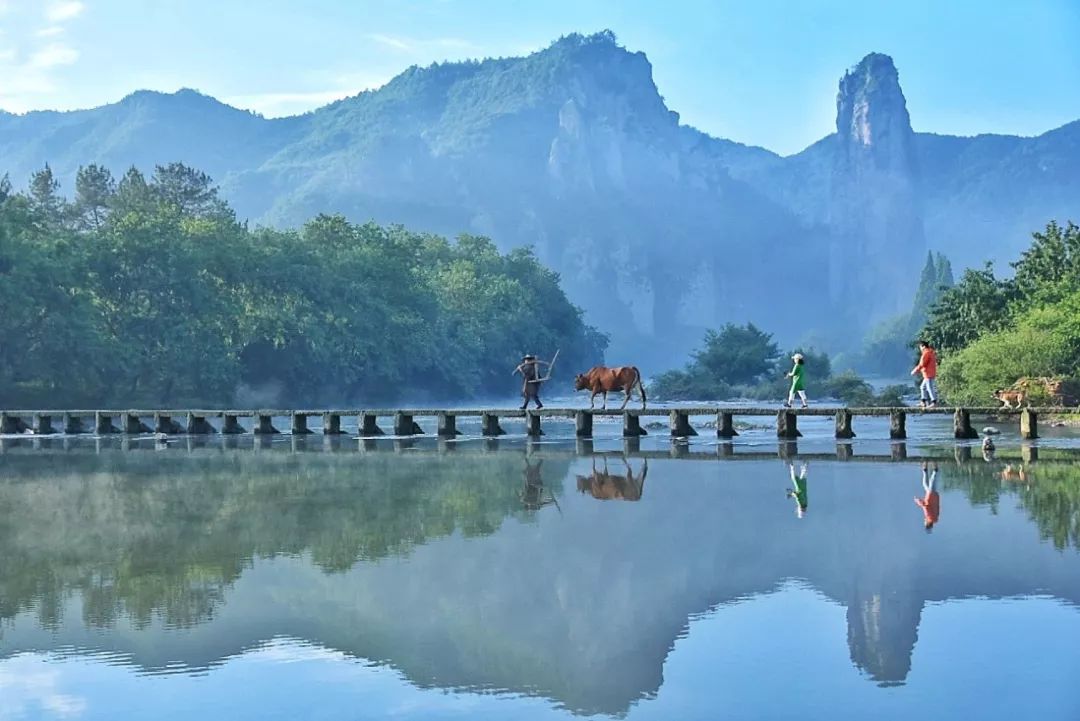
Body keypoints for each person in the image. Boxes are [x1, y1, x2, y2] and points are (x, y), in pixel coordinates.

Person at [911, 340, 939, 408]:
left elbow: (922, 364)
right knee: (922, 387)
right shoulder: (930, 352)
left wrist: (915, 370)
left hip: (928, 374)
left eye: (920, 347)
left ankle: (934, 402)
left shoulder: (926, 353)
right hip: (929, 373)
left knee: (929, 388)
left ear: (923, 346)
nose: (920, 348)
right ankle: (923, 402)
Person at [914, 461, 940, 531]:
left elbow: (937, 508)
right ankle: (935, 469)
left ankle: (925, 468)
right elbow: (925, 506)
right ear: (928, 523)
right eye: (925, 523)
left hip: (933, 497)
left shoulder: (935, 518)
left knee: (925, 484)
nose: (924, 521)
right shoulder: (929, 517)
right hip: (930, 497)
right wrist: (917, 501)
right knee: (931, 482)